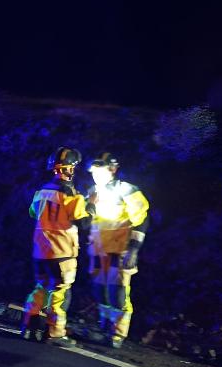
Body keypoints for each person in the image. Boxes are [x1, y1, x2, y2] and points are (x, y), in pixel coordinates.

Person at [20, 147, 90, 346]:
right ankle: (55, 332)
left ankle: (28, 327)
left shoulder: (41, 191)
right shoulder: (71, 195)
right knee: (60, 293)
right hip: (62, 253)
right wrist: (91, 206)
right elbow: (83, 222)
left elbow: (33, 213)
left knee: (40, 288)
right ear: (69, 169)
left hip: (40, 251)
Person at [85, 152, 150, 348]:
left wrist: (134, 249)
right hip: (98, 249)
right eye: (94, 171)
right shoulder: (92, 191)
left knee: (118, 291)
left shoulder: (127, 190)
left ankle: (117, 334)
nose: (95, 174)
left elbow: (142, 219)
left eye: (100, 170)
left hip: (120, 249)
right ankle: (104, 327)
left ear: (112, 170)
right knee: (99, 290)